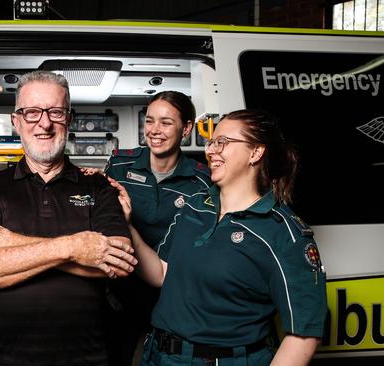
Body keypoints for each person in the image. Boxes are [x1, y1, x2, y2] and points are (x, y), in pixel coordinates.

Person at [114, 109, 327, 365]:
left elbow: (303, 335)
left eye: (223, 142)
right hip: (159, 355)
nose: (211, 150)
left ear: (255, 153)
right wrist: (128, 226)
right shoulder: (195, 206)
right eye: (212, 142)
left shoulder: (283, 233)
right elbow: (162, 272)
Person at [0, 70, 137, 366]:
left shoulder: (98, 186)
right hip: (2, 359)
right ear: (16, 122)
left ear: (69, 118)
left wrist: (10, 244)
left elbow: (118, 264)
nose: (44, 123)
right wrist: (74, 247)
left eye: (55, 112)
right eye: (32, 113)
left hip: (87, 358)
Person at [103, 91, 211, 366]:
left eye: (166, 123)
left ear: (186, 128)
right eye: (150, 121)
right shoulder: (119, 165)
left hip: (172, 296)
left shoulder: (203, 181)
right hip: (120, 294)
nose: (154, 131)